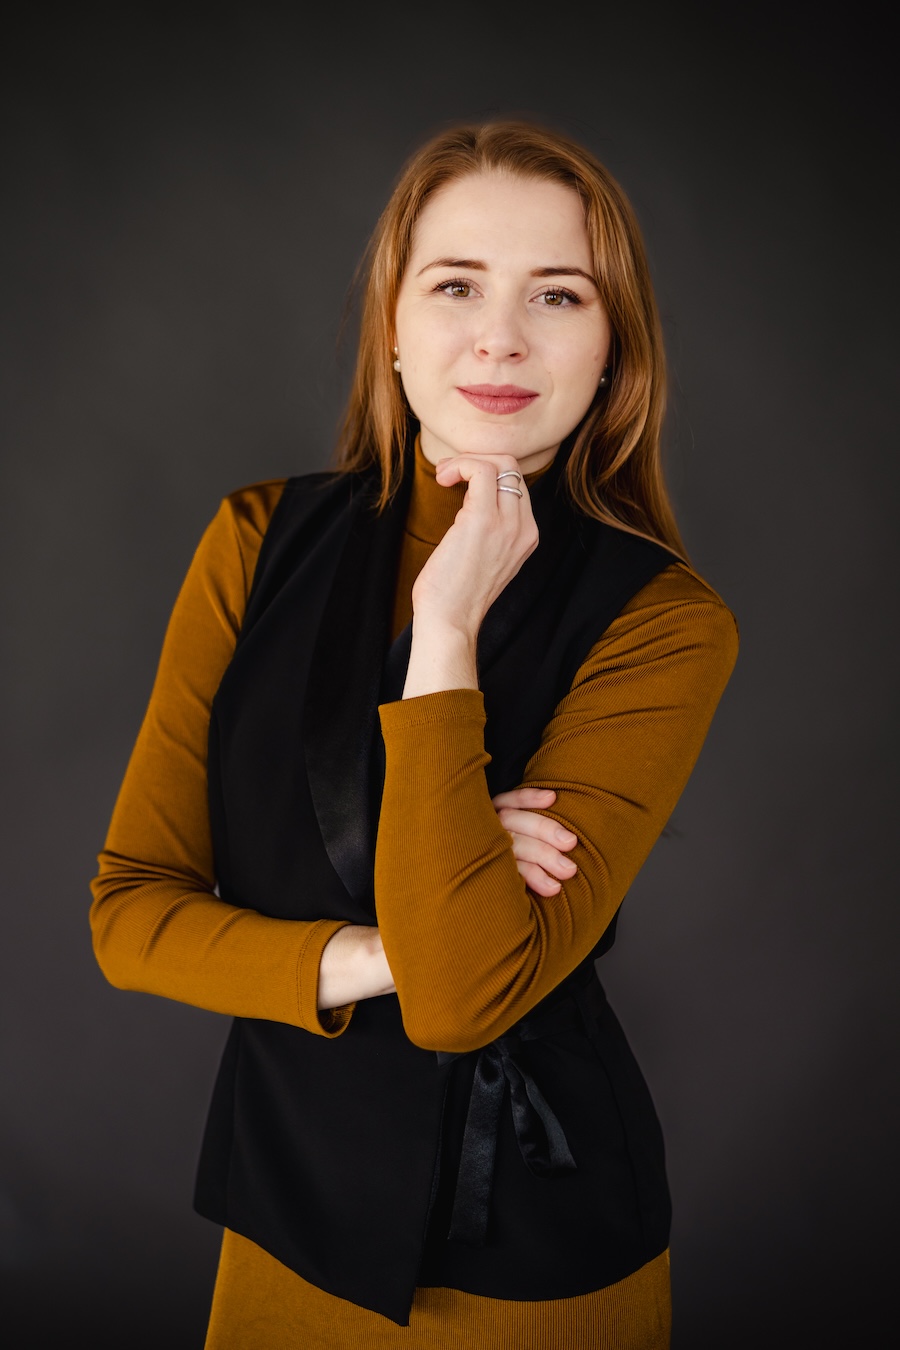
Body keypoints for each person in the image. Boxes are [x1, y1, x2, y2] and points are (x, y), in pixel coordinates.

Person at [89, 119, 738, 1349]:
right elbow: (129, 916)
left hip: (531, 1258)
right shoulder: (253, 543)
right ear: (392, 326)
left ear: (612, 352)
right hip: (279, 1213)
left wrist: (444, 635)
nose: (501, 335)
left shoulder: (667, 623)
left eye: (557, 294)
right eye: (455, 286)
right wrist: (404, 945)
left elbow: (463, 1013)